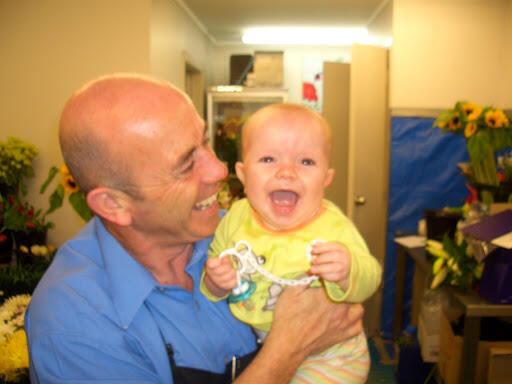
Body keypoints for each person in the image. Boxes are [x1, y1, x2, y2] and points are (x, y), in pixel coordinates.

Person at [24, 74, 365, 384]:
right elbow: (298, 335)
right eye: (186, 164)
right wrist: (288, 348)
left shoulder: (232, 232)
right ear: (115, 204)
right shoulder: (73, 328)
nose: (219, 170)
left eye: (205, 142)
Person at [201, 104, 382, 383]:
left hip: (333, 354)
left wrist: (348, 270)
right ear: (243, 174)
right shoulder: (237, 218)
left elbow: (371, 276)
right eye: (268, 159)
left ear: (326, 179)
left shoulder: (333, 226)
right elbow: (214, 265)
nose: (286, 172)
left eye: (306, 162)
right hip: (270, 348)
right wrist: (216, 281)